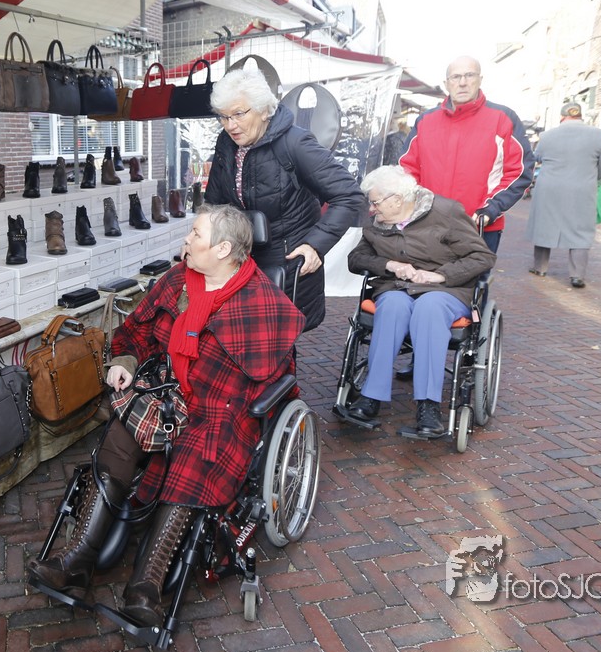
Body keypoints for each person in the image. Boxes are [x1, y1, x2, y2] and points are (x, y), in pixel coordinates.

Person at [28, 203, 304, 626]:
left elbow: (278, 376)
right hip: (167, 390)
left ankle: (147, 586)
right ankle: (76, 560)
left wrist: (248, 408)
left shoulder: (262, 302)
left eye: (196, 235)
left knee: (195, 457)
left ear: (223, 249)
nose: (186, 240)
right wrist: (124, 361)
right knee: (121, 434)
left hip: (222, 407)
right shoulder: (176, 281)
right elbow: (135, 332)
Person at [337, 166, 494, 440]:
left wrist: (440, 275)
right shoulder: (378, 223)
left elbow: (482, 257)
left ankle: (428, 406)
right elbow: (356, 259)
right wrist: (389, 264)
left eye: (375, 202)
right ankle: (370, 397)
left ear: (397, 199)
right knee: (392, 307)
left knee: (429, 308)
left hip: (446, 290)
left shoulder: (445, 212)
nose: (371, 209)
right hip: (397, 287)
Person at [203, 69, 363, 331]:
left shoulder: (295, 143)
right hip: (241, 263)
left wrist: (314, 246)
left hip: (287, 265)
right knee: (238, 338)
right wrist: (201, 241)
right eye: (224, 116)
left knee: (276, 340)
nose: (230, 125)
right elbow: (215, 204)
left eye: (239, 114)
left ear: (263, 110)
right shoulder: (227, 143)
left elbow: (348, 195)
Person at [399, 56, 534, 253]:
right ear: (446, 83)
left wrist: (491, 208)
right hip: (429, 224)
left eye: (469, 75)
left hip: (479, 226)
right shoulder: (425, 121)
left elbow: (519, 171)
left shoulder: (503, 118)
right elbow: (407, 169)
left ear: (480, 79)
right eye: (455, 77)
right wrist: (415, 207)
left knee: (474, 273)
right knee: (424, 273)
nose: (462, 82)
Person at [526, 102, 601, 288]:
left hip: (549, 188)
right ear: (580, 116)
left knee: (545, 225)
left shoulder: (547, 136)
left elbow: (537, 157)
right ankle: (577, 276)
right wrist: (593, 176)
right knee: (580, 229)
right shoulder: (598, 135)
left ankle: (540, 268)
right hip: (581, 188)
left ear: (562, 117)